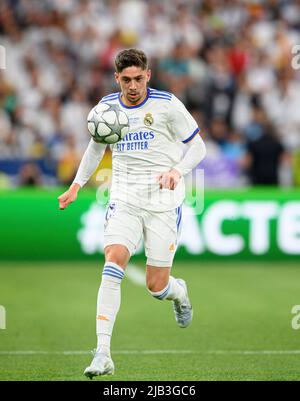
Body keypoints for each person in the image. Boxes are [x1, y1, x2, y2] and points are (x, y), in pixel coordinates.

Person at [58, 49, 206, 378]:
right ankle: (103, 353)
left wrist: (177, 172)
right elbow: (96, 147)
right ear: (117, 79)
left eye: (139, 78)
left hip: (163, 202)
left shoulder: (167, 104)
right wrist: (76, 185)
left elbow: (198, 146)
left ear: (148, 76)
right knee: (113, 260)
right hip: (124, 198)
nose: (133, 85)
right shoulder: (107, 109)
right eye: (126, 80)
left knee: (157, 287)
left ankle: (179, 292)